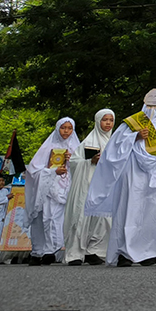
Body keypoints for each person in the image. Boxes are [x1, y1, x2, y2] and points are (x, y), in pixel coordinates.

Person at [85, 86, 156, 266]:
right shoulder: (135, 121)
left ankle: (148, 252)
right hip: (135, 174)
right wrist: (135, 137)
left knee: (154, 211)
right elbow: (114, 148)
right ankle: (125, 252)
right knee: (131, 210)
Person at [63, 108, 115, 265]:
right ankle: (75, 254)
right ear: (98, 121)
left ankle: (94, 250)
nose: (108, 123)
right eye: (105, 120)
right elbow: (74, 162)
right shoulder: (88, 142)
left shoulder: (114, 143)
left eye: (111, 120)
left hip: (105, 186)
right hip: (87, 184)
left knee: (103, 220)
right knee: (81, 217)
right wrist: (89, 162)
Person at [26, 118, 79, 264]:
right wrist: (53, 171)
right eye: (63, 128)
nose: (66, 131)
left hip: (66, 189)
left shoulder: (76, 147)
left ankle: (53, 250)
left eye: (69, 128)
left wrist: (72, 160)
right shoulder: (47, 147)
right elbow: (34, 170)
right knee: (45, 220)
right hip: (47, 190)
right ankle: (39, 251)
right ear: (57, 129)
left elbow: (82, 168)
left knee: (58, 219)